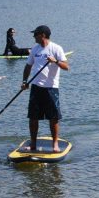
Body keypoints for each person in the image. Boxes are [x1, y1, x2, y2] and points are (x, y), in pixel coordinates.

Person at [21, 25, 69, 153]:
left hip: (51, 88)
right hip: (36, 87)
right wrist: (25, 82)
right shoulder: (35, 50)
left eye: (35, 34)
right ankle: (33, 144)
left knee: (53, 118)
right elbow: (28, 66)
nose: (33, 36)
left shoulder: (56, 48)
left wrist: (55, 61)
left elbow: (66, 67)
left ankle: (55, 144)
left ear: (42, 35)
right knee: (33, 117)